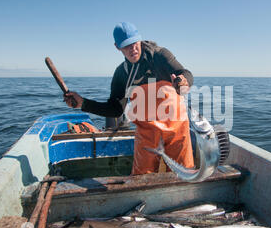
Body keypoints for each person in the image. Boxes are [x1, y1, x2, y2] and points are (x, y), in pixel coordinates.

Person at [64, 22, 195, 175]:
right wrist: (83, 103)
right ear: (117, 47)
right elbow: (115, 109)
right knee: (142, 178)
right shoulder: (122, 73)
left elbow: (185, 73)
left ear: (139, 39)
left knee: (183, 174)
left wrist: (183, 81)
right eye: (126, 45)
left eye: (134, 43)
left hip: (176, 130)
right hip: (147, 133)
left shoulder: (159, 56)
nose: (132, 49)